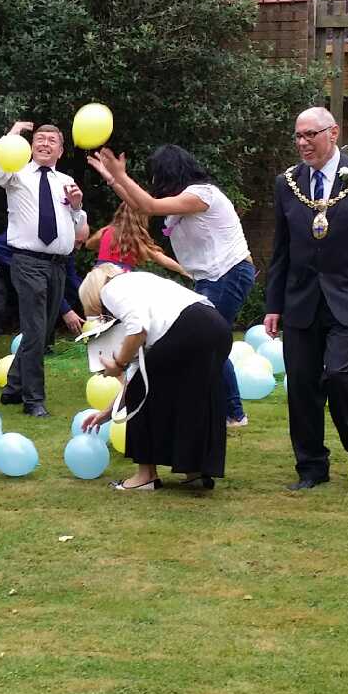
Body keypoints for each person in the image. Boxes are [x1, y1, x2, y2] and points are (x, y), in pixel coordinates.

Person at [262, 107, 348, 491]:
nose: (303, 143)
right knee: (302, 384)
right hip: (301, 300)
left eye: (311, 135)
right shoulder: (287, 183)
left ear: (333, 133)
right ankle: (311, 467)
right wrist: (274, 305)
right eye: (298, 136)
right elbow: (282, 251)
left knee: (339, 375)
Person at [87, 144, 255, 427]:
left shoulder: (203, 195)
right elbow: (139, 205)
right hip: (209, 279)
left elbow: (148, 206)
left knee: (208, 342)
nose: (154, 182)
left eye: (155, 175)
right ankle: (225, 410)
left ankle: (232, 412)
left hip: (228, 274)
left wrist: (119, 175)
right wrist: (114, 179)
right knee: (208, 341)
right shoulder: (181, 202)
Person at [77, 263, 231, 492]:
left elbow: (137, 329)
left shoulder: (111, 289)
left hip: (188, 329)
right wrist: (108, 412)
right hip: (216, 327)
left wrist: (118, 363)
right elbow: (139, 372)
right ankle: (196, 472)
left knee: (142, 393)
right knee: (193, 398)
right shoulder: (143, 283)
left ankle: (145, 476)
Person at [0, 121, 89, 417]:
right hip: (27, 263)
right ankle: (33, 400)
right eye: (39, 139)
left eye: (51, 140)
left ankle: (13, 388)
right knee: (37, 331)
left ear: (60, 151)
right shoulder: (14, 173)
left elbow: (80, 232)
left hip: (58, 266)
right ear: (30, 145)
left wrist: (77, 207)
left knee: (41, 330)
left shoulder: (66, 181)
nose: (44, 143)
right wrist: (11, 135)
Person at [0, 232, 85, 357]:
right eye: (78, 242)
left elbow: (71, 278)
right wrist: (66, 311)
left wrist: (91, 297)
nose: (79, 247)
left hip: (16, 266)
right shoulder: (47, 240)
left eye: (82, 243)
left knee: (50, 299)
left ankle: (43, 348)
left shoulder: (65, 247)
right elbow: (42, 285)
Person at [84, 200, 190, 277]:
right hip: (119, 277)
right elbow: (160, 258)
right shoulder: (135, 238)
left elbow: (89, 244)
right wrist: (183, 270)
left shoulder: (106, 231)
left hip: (97, 275)